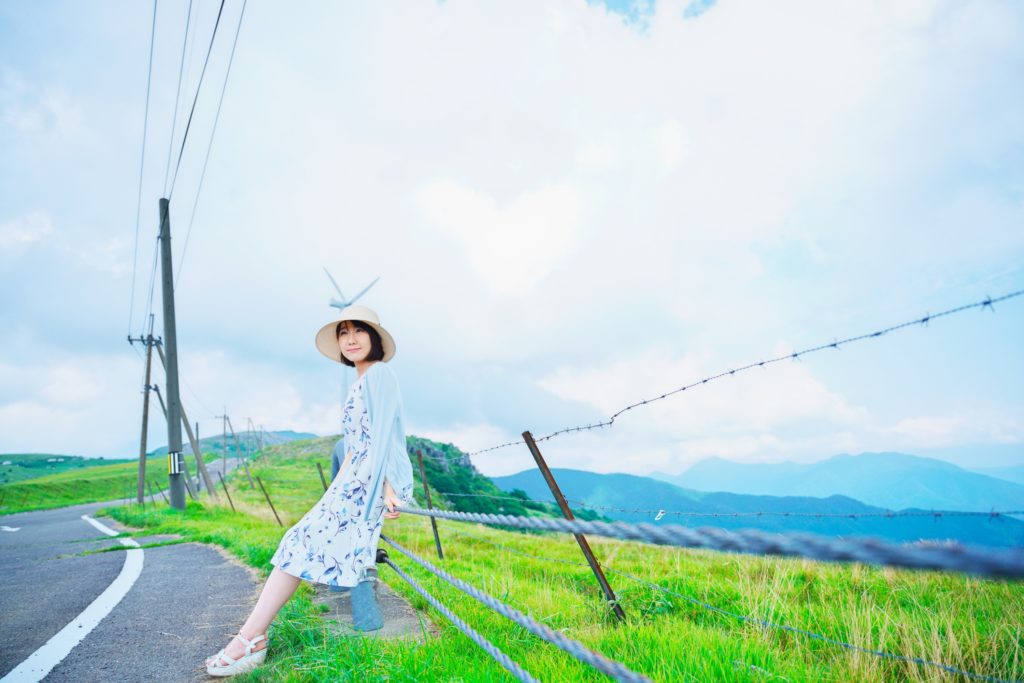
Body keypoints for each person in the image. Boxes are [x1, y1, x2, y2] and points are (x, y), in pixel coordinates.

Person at [205, 305, 415, 677]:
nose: (350, 339)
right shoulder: (361, 382)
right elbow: (353, 448)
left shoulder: (380, 374)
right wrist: (330, 494)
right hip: (351, 483)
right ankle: (251, 638)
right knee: (295, 543)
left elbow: (384, 438)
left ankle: (250, 640)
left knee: (296, 544)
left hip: (369, 485)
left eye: (359, 331)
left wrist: (388, 489)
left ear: (374, 338)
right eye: (343, 332)